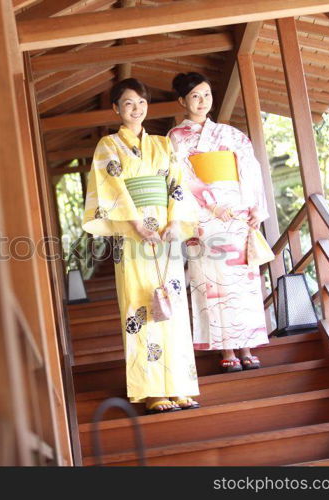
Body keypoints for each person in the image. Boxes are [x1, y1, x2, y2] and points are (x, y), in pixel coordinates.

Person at [82, 78, 200, 413]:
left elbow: (177, 185)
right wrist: (135, 224)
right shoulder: (108, 145)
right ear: (116, 108)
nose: (136, 109)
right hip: (132, 236)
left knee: (172, 304)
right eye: (129, 103)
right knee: (140, 306)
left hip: (165, 233)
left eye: (142, 102)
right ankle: (151, 390)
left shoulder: (163, 144)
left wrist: (175, 222)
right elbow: (111, 186)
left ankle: (179, 386)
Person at [167, 72, 270, 373]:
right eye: (195, 96)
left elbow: (251, 169)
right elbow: (180, 176)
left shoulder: (231, 134)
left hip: (237, 214)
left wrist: (254, 208)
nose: (202, 101)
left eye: (207, 94)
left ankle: (247, 344)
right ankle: (227, 348)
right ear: (182, 101)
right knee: (213, 283)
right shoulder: (176, 138)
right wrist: (212, 203)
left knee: (243, 283)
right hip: (204, 218)